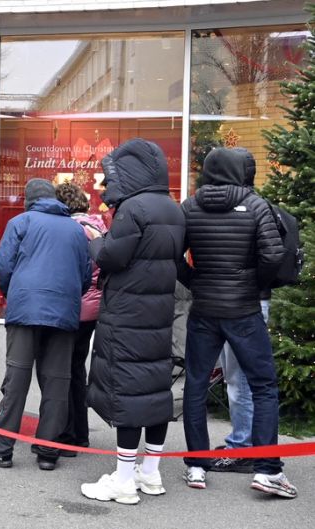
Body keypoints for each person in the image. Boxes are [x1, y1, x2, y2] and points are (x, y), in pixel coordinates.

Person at [180, 147, 296, 498]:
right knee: (263, 386)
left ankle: (196, 466)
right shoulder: (257, 204)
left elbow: (172, 254)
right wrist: (250, 283)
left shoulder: (189, 206)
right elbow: (274, 255)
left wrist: (195, 281)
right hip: (244, 311)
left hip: (203, 310)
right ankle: (267, 470)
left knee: (196, 385)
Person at [79, 138, 185, 505]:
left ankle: (124, 481)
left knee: (126, 393)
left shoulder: (132, 209)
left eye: (111, 177)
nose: (107, 185)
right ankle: (151, 473)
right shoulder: (171, 207)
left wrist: (95, 239)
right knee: (155, 392)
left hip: (126, 316)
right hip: (157, 316)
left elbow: (112, 257)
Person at [0, 178, 90, 471]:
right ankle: (48, 450)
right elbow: (86, 273)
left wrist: (18, 289)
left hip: (26, 309)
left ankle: (1, 448)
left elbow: (2, 265)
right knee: (57, 383)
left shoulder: (21, 222)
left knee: (17, 379)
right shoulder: (76, 229)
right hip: (64, 312)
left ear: (29, 200)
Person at [210, 148, 266, 475]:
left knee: (240, 380)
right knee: (243, 377)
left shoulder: (245, 209)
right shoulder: (260, 207)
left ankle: (243, 445)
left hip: (243, 302)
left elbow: (271, 256)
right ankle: (247, 441)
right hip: (253, 298)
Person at [52, 181, 107, 454]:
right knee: (77, 367)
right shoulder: (98, 226)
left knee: (66, 369)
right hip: (94, 307)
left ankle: (71, 432)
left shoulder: (72, 230)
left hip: (75, 305)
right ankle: (80, 431)